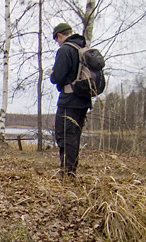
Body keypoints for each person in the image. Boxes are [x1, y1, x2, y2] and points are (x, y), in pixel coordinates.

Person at [50, 22, 92, 178]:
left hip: (69, 100)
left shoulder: (65, 50)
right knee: (74, 135)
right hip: (84, 100)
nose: (58, 43)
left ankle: (67, 172)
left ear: (60, 35)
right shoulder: (83, 48)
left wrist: (52, 75)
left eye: (57, 40)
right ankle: (71, 170)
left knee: (64, 135)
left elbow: (57, 77)